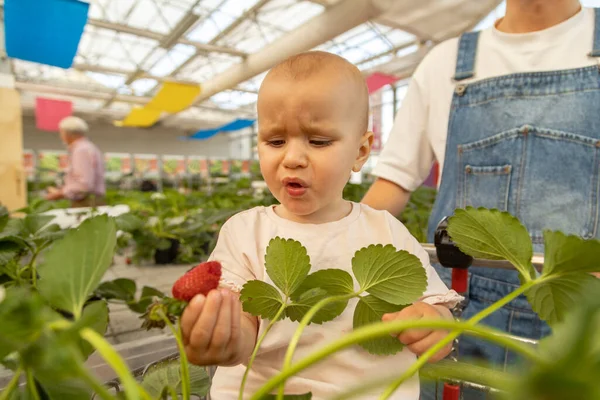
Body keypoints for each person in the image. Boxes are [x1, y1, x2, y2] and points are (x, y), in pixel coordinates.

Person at [180, 51, 462, 400]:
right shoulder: (244, 232)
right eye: (275, 141)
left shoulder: (386, 231)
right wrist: (222, 337)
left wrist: (434, 327)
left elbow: (435, 311)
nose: (293, 158)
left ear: (361, 152)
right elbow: (244, 331)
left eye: (318, 141)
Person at [362, 0, 600, 397]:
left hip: (582, 332)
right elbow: (393, 184)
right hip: (456, 327)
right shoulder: (447, 63)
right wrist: (322, 245)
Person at [45, 116, 106, 207]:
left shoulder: (81, 150)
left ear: (67, 134)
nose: (61, 136)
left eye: (61, 133)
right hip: (91, 200)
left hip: (86, 203)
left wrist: (59, 193)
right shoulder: (89, 147)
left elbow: (84, 185)